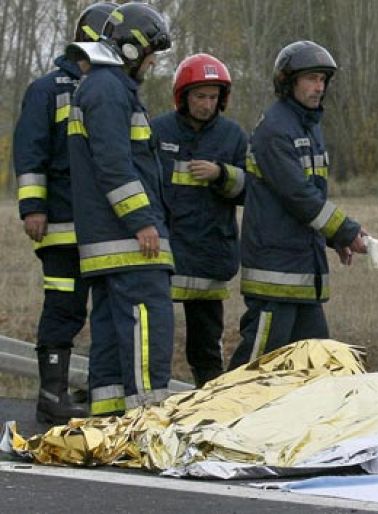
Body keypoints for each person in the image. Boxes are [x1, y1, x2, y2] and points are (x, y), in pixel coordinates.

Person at [228, 41, 367, 369]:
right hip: (275, 274)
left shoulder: (310, 126)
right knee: (254, 367)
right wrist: (347, 232)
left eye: (322, 79)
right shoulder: (275, 130)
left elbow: (314, 196)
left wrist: (333, 239)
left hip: (304, 274)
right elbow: (299, 196)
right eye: (311, 79)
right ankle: (221, 417)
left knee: (318, 367)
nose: (319, 87)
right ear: (288, 82)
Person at [66, 2, 175, 416]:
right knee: (149, 325)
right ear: (131, 49)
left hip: (107, 241)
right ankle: (149, 420)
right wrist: (142, 221)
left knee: (112, 332)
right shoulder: (110, 89)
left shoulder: (99, 87)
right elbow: (115, 165)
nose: (150, 64)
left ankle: (110, 421)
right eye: (150, 55)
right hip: (129, 241)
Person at [13, 2, 116, 424]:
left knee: (107, 311)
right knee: (64, 307)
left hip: (102, 227)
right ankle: (51, 395)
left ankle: (100, 389)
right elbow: (30, 150)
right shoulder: (48, 88)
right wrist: (33, 208)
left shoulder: (111, 87)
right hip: (60, 224)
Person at [151, 53, 247, 387]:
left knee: (207, 344)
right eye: (199, 96)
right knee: (155, 336)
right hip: (166, 252)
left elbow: (251, 190)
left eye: (213, 97)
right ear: (183, 96)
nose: (207, 104)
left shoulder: (233, 136)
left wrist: (221, 174)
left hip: (210, 252)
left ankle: (209, 398)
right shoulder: (157, 131)